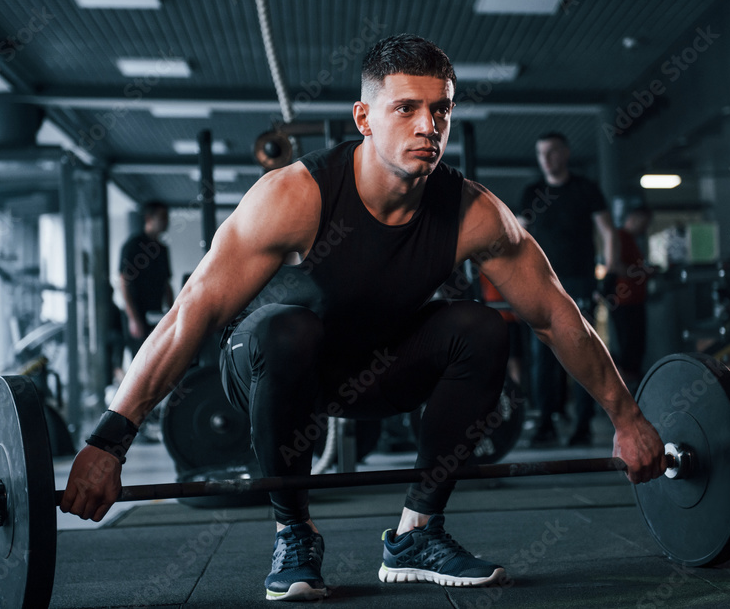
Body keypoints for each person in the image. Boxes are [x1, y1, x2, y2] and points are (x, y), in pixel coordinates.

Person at [60, 34, 665, 602]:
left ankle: (417, 532)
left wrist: (627, 417)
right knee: (287, 328)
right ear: (364, 118)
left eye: (441, 110)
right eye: (406, 108)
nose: (428, 126)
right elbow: (194, 311)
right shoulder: (296, 195)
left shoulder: (474, 212)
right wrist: (110, 440)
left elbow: (556, 315)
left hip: (374, 371)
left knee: (482, 327)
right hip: (268, 368)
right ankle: (293, 532)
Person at [518, 132, 620, 447]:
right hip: (542, 284)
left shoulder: (584, 189)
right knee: (542, 356)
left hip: (579, 282)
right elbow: (518, 235)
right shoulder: (533, 192)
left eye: (551, 152)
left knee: (582, 354)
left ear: (564, 153)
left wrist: (611, 271)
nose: (545, 159)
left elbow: (608, 231)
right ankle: (546, 421)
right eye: (540, 153)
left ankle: (583, 424)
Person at [118, 201, 174, 358]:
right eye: (162, 217)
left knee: (160, 357)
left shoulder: (162, 249)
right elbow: (124, 282)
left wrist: (172, 312)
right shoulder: (132, 246)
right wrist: (133, 318)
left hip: (156, 313)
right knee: (141, 360)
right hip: (138, 314)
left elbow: (166, 284)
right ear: (149, 218)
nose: (166, 222)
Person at [608, 205, 654, 390]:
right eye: (644, 223)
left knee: (636, 350)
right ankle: (625, 396)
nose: (645, 228)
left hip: (635, 302)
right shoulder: (620, 238)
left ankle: (633, 393)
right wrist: (642, 272)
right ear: (634, 218)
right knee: (629, 351)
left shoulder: (632, 240)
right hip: (624, 303)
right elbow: (615, 266)